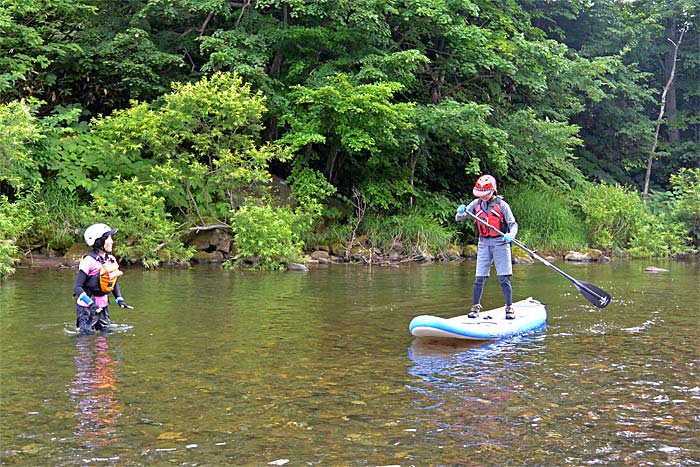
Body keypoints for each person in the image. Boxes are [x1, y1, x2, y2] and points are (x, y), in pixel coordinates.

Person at [455, 175, 518, 319]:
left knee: (504, 278)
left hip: (501, 243)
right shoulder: (476, 204)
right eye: (481, 194)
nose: (483, 197)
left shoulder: (502, 205)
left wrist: (511, 236)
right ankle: (475, 307)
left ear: (493, 191)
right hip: (483, 243)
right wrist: (460, 213)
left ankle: (509, 307)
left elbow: (513, 225)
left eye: (486, 194)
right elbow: (460, 219)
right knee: (479, 278)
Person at [73, 223, 133, 335]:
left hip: (103, 305)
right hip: (87, 307)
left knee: (105, 335)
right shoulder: (88, 261)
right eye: (108, 238)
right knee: (86, 338)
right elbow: (77, 287)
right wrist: (91, 305)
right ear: (99, 241)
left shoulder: (111, 259)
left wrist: (119, 300)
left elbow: (112, 282)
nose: (112, 242)